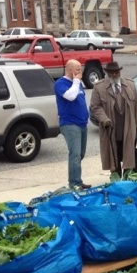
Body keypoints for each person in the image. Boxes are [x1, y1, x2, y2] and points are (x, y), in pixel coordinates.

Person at [89, 61, 137, 177]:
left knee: (129, 156)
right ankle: (116, 180)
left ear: (120, 71)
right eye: (111, 72)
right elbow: (95, 106)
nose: (114, 74)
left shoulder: (130, 85)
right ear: (107, 73)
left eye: (116, 72)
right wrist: (104, 119)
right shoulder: (99, 87)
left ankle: (129, 179)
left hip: (128, 128)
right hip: (111, 129)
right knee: (114, 157)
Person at [54, 60, 91, 190]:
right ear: (70, 70)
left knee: (80, 153)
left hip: (82, 123)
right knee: (74, 154)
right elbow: (70, 96)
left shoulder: (77, 84)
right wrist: (76, 81)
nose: (80, 72)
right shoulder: (60, 83)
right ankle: (74, 184)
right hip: (70, 123)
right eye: (78, 69)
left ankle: (77, 180)